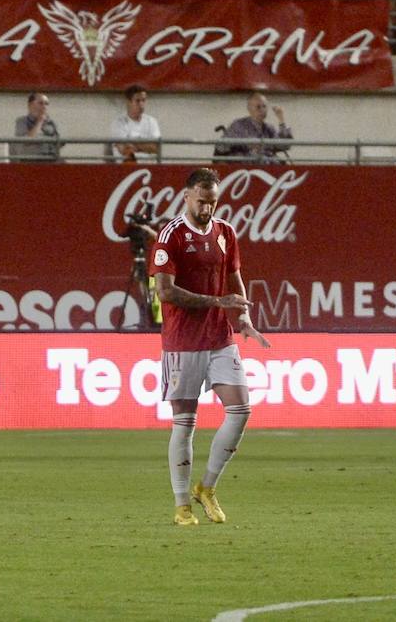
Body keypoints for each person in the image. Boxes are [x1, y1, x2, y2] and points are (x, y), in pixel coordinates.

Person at [152, 168, 271, 526]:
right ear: (186, 196)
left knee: (241, 409)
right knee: (184, 423)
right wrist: (217, 302)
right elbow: (166, 292)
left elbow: (233, 278)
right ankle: (181, 505)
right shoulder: (169, 237)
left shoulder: (225, 233)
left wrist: (242, 316)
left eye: (213, 201)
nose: (207, 208)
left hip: (220, 338)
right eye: (201, 201)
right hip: (183, 342)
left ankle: (207, 487)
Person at [218, 93, 292, 162]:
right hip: (245, 167)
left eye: (264, 106)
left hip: (268, 166)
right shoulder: (238, 125)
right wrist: (247, 147)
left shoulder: (269, 128)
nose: (262, 110)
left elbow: (285, 146)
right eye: (258, 107)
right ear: (249, 109)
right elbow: (221, 148)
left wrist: (281, 120)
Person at [110, 84, 160, 163]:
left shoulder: (152, 121)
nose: (141, 105)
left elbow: (156, 147)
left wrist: (134, 143)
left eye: (143, 100)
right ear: (128, 102)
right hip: (127, 169)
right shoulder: (118, 123)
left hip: (151, 168)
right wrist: (145, 146)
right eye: (137, 101)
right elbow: (124, 150)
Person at [10, 92, 59, 161]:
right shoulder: (22, 121)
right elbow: (26, 141)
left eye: (46, 104)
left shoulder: (51, 123)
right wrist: (40, 121)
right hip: (30, 160)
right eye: (40, 103)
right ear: (30, 105)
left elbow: (59, 143)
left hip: (50, 159)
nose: (44, 107)